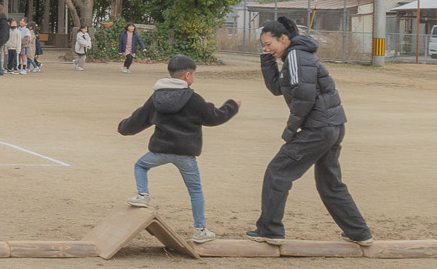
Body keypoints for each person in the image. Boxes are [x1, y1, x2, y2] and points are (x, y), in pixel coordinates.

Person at [247, 16, 372, 248]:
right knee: (329, 183)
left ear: (283, 39)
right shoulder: (296, 55)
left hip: (319, 128)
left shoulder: (295, 56)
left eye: (268, 44)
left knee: (278, 172)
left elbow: (304, 96)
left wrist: (291, 129)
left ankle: (270, 230)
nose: (265, 48)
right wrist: (266, 59)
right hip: (331, 126)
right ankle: (359, 232)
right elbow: (278, 88)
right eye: (263, 45)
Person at [118, 54, 238, 244]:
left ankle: (143, 195)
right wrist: (231, 106)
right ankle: (200, 230)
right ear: (187, 75)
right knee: (195, 190)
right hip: (185, 153)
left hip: (160, 150)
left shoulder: (157, 97)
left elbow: (140, 118)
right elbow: (214, 117)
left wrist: (123, 127)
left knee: (140, 166)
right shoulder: (193, 98)